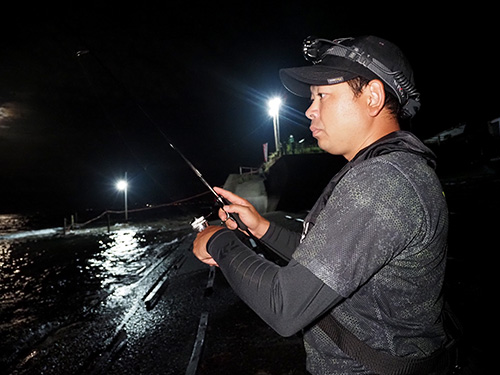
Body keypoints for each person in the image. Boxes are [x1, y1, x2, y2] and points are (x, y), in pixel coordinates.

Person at [192, 35, 450, 374]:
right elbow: (324, 263)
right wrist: (262, 228)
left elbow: (284, 305)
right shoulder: (390, 169)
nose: (309, 110)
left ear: (372, 97)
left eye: (323, 95)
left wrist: (216, 240)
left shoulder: (383, 181)